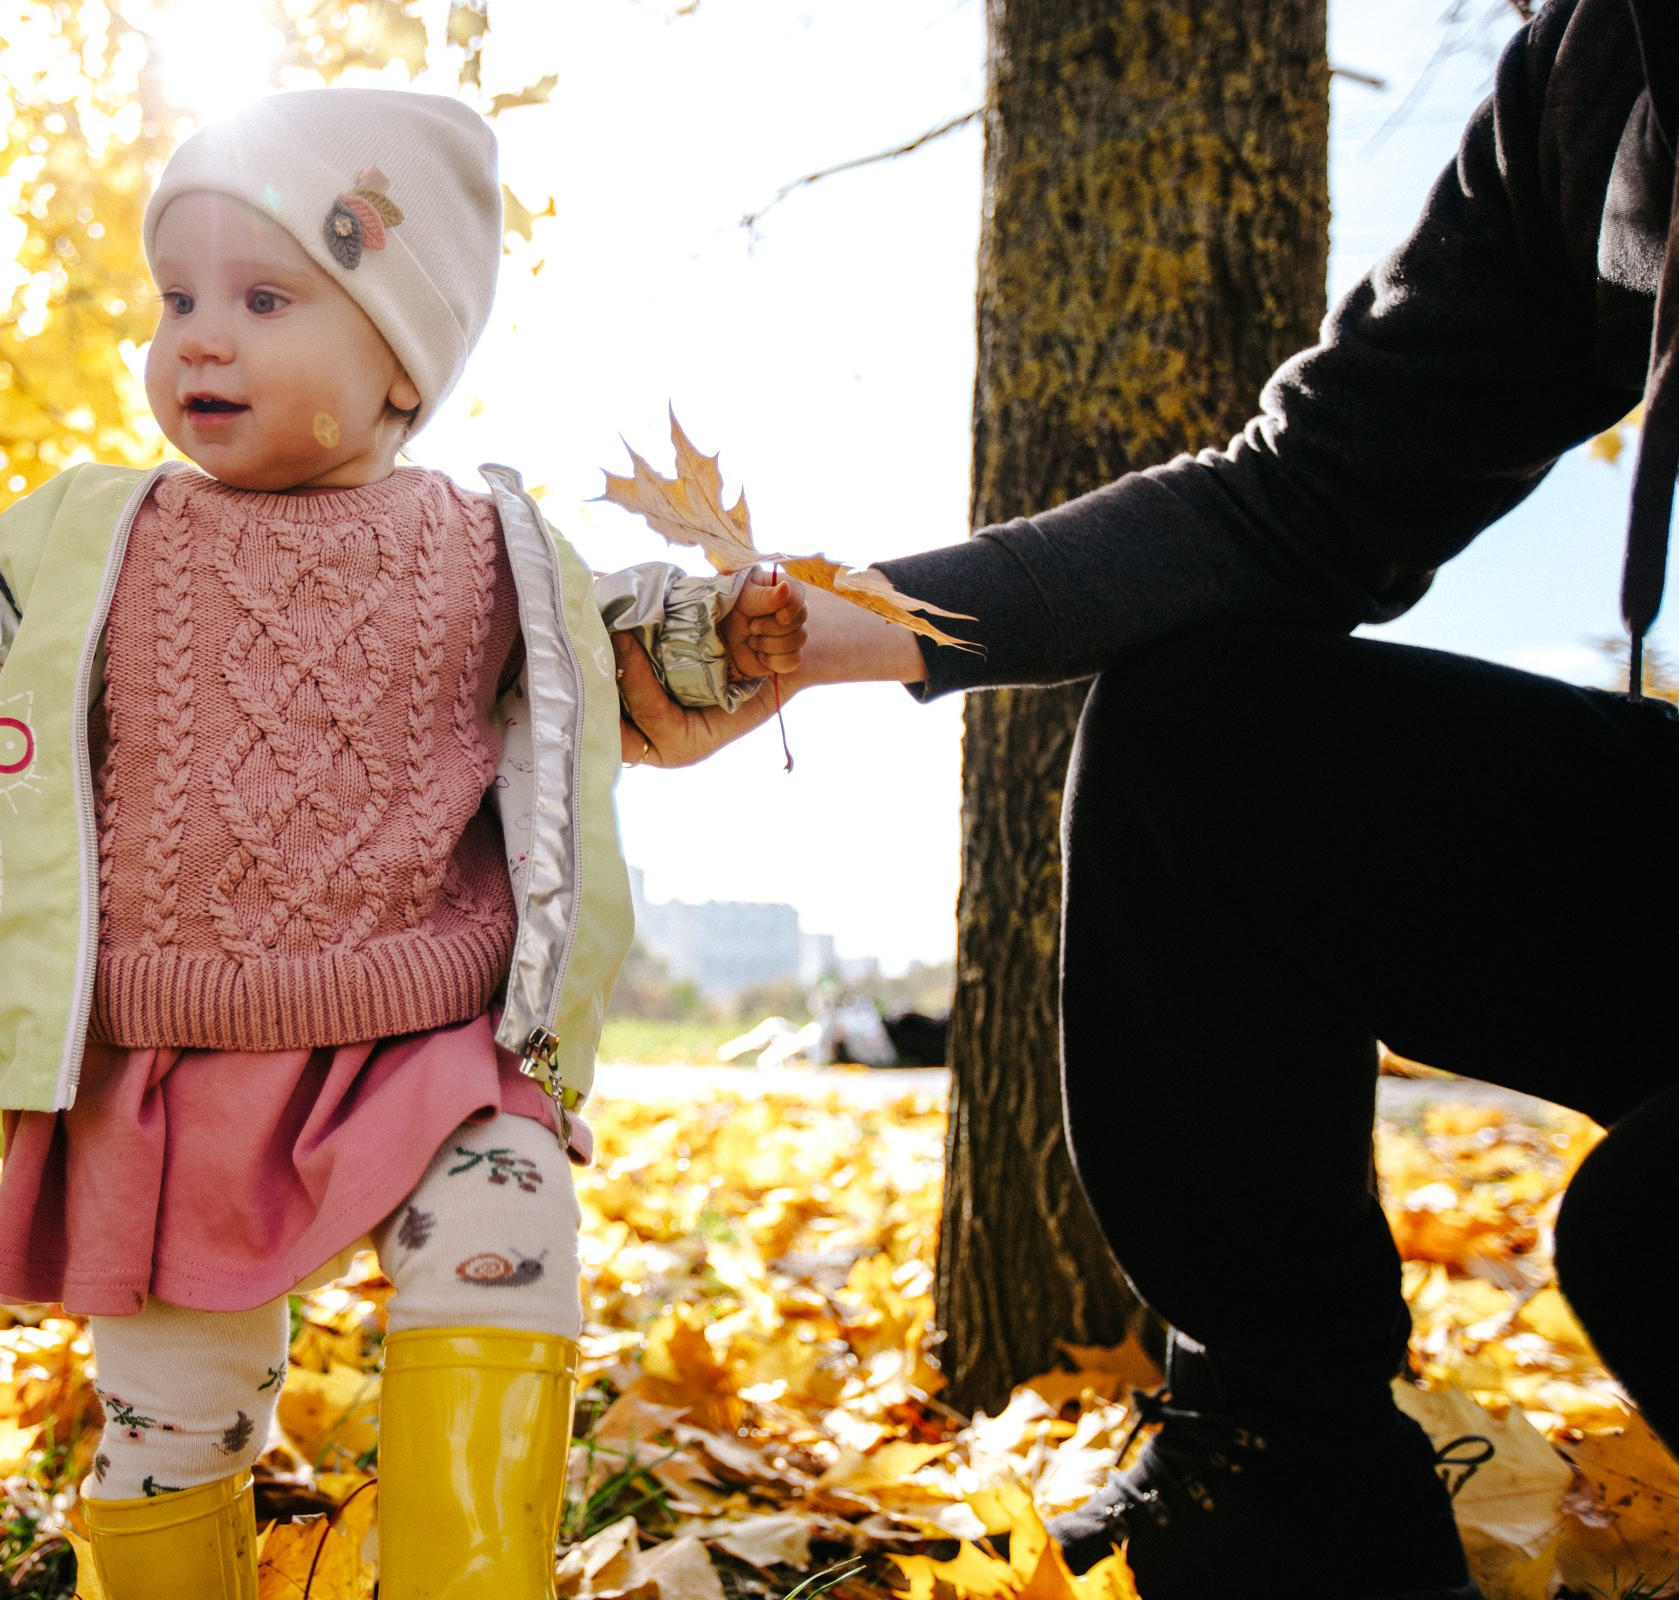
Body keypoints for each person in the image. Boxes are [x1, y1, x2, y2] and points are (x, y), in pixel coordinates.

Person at [0, 89, 805, 1598]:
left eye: (264, 297)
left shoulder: (488, 546)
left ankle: (465, 1579)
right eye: (176, 300)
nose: (199, 338)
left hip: (427, 1033)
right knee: (172, 1407)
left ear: (397, 361)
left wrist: (728, 632)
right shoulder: (98, 544)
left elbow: (611, 641)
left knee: (506, 1238)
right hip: (163, 1061)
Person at [618, 2, 1679, 1598]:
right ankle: (1287, 1478)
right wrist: (793, 634)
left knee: (1658, 1236)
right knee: (1210, 741)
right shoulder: (1595, 81)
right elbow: (1293, 499)